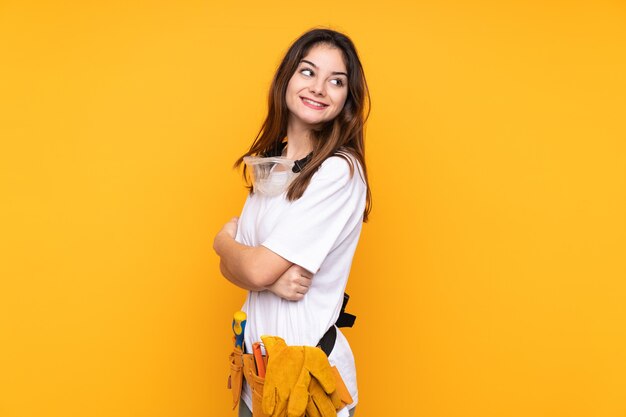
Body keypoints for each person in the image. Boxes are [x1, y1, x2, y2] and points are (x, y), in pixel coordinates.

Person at [213, 27, 371, 417]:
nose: (319, 87)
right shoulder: (271, 165)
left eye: (336, 81)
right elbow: (243, 269)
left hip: (305, 386)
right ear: (286, 78)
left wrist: (223, 243)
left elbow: (251, 264)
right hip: (257, 379)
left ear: (346, 100)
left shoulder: (338, 171)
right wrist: (262, 274)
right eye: (308, 72)